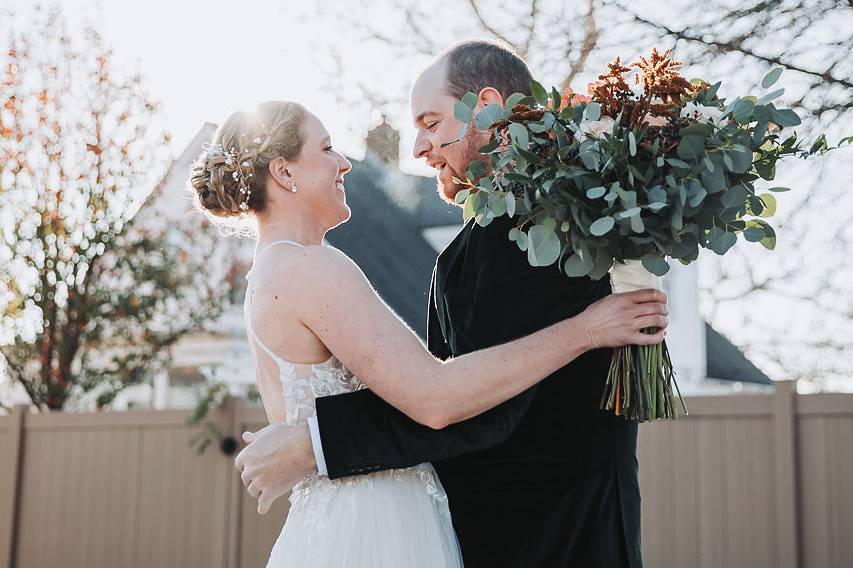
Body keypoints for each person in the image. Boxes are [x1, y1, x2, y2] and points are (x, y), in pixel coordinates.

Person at [224, 46, 665, 568]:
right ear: (283, 172)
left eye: (430, 123)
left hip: (555, 538)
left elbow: (476, 404)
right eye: (327, 149)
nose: (417, 148)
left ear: (487, 108)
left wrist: (312, 443)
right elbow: (443, 391)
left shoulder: (542, 228)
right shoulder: (469, 242)